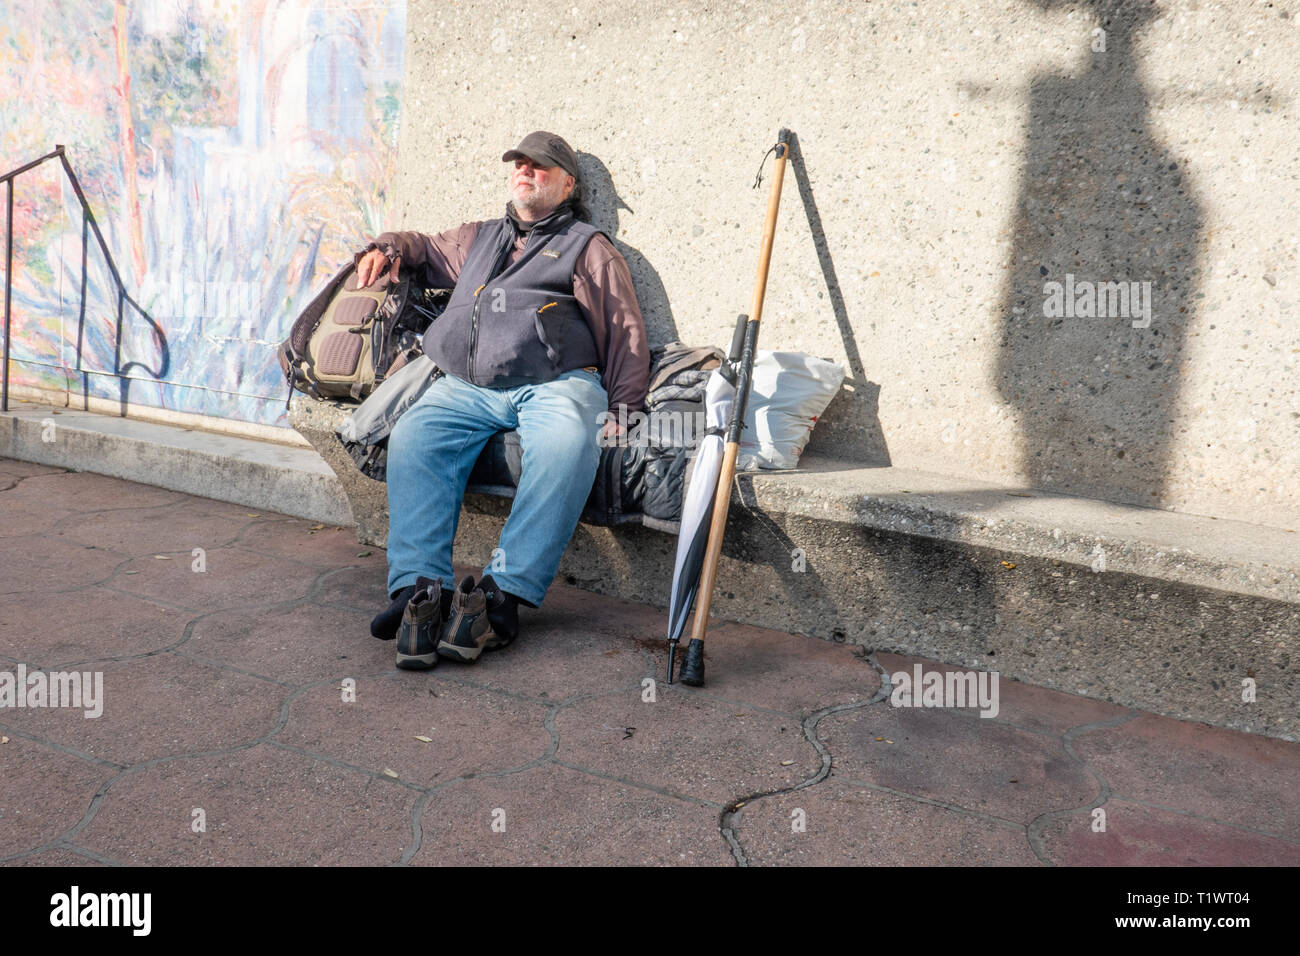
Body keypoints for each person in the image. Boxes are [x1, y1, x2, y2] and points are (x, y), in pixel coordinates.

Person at [360, 131, 650, 669]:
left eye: (540, 166)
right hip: (468, 386)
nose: (526, 171)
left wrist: (626, 407)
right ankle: (419, 594)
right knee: (415, 437)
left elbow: (624, 329)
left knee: (567, 445)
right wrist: (389, 247)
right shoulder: (481, 237)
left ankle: (500, 598)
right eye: (519, 163)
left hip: (558, 383)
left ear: (567, 184)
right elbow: (425, 247)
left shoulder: (588, 246)